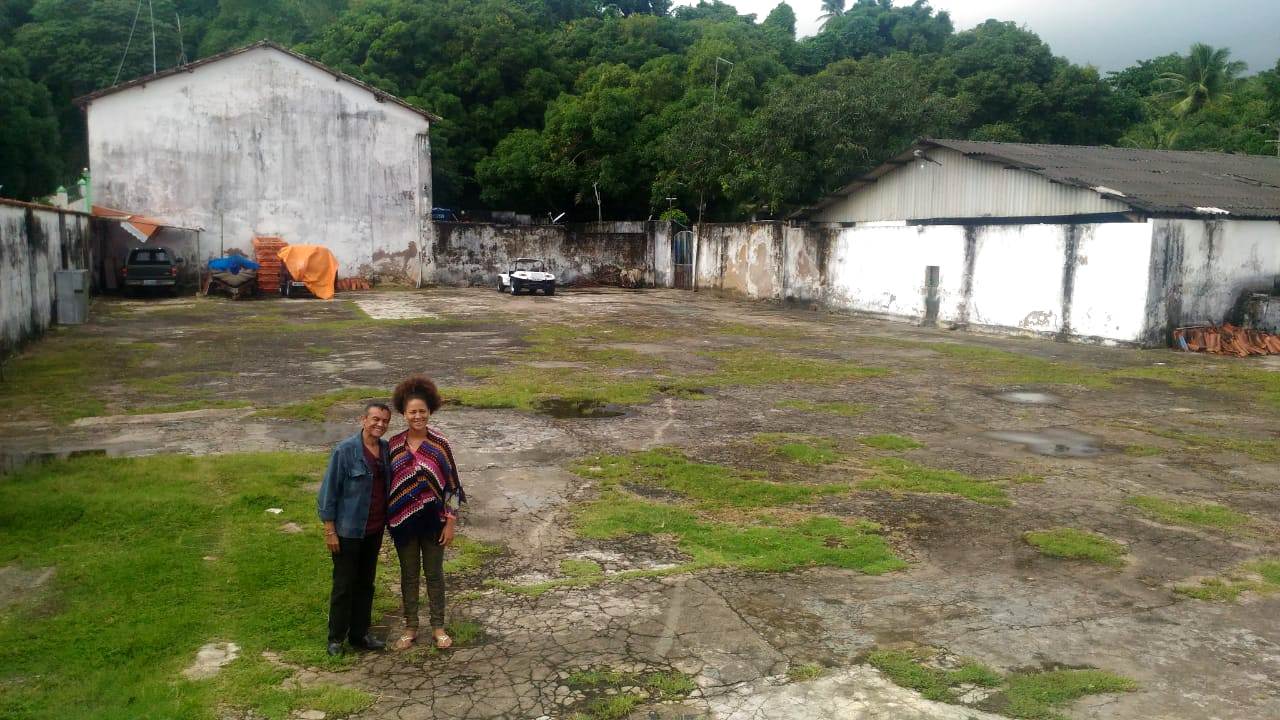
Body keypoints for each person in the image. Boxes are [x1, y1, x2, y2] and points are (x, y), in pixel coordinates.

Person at [387, 375, 466, 650]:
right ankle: (410, 626)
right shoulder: (394, 445)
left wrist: (451, 522)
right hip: (403, 522)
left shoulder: (440, 443)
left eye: (422, 411)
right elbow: (387, 485)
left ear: (430, 410)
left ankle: (437, 625)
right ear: (403, 413)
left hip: (435, 522)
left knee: (434, 574)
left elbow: (452, 487)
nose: (417, 416)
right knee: (408, 575)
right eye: (412, 412)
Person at [316, 402, 393, 656]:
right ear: (363, 419)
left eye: (384, 421)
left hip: (373, 531)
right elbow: (329, 492)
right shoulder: (345, 451)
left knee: (365, 584)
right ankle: (336, 638)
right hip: (348, 531)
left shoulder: (385, 450)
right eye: (375, 419)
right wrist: (330, 530)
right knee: (344, 585)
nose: (379, 424)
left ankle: (360, 634)